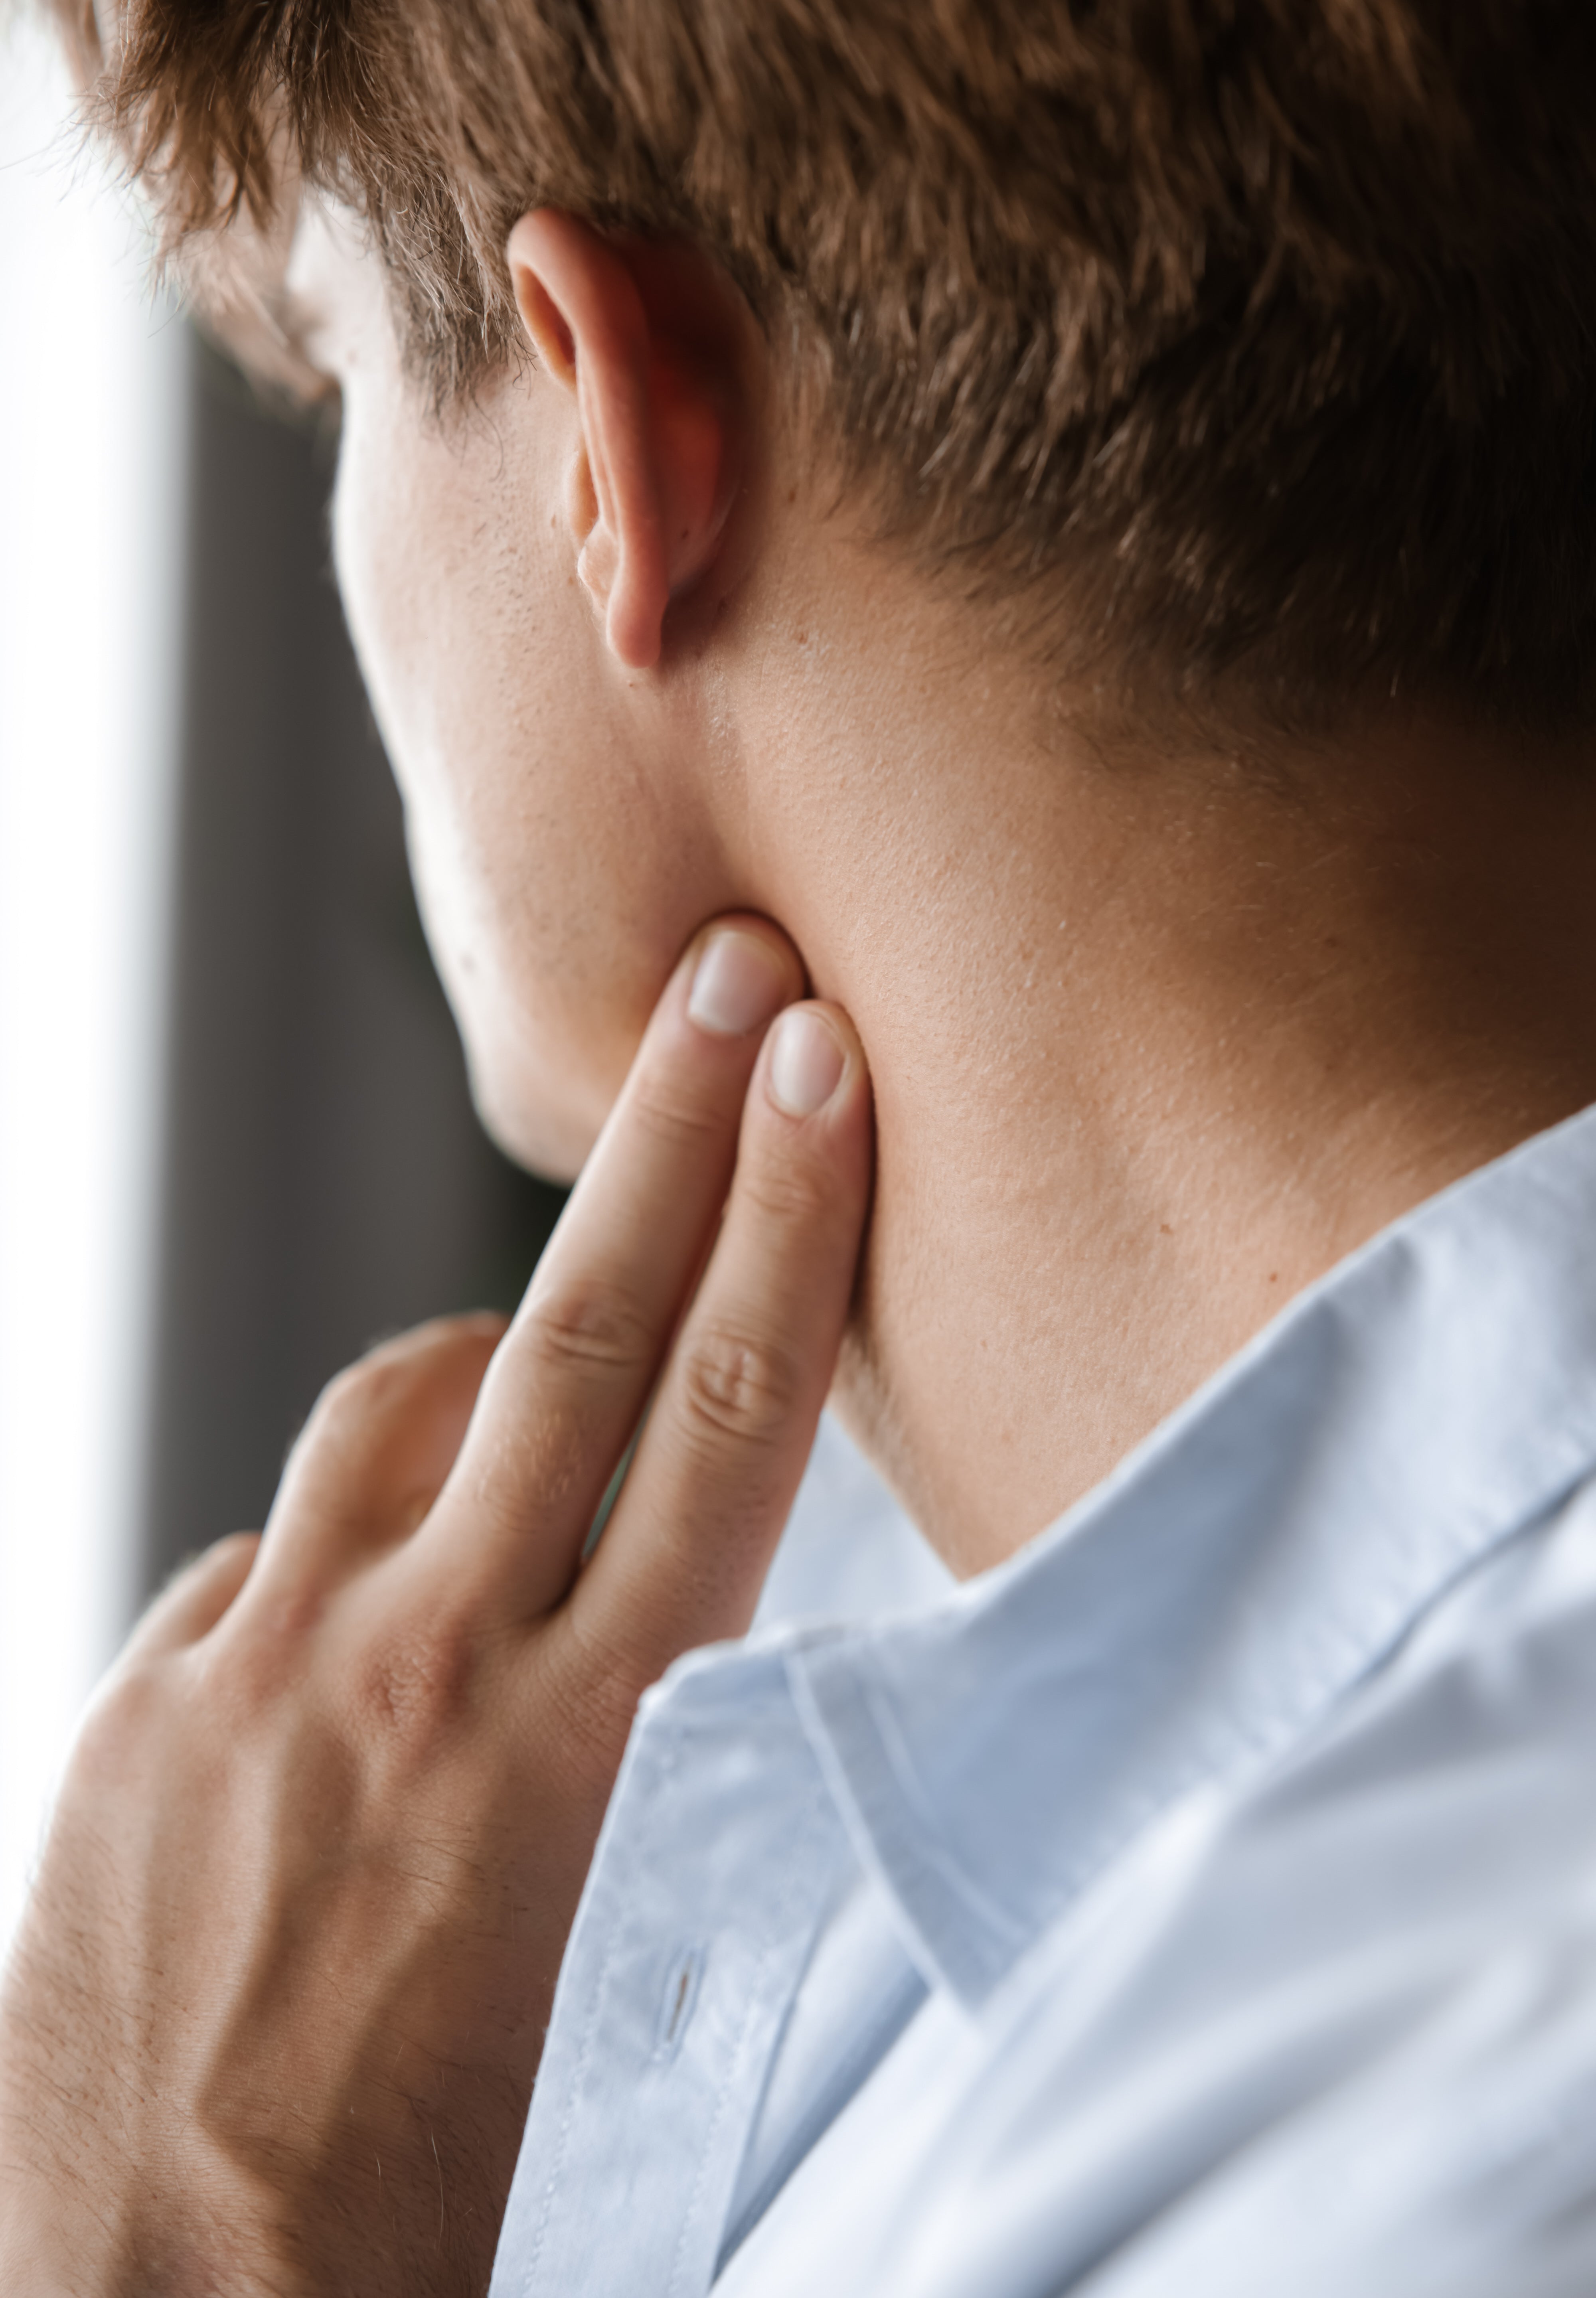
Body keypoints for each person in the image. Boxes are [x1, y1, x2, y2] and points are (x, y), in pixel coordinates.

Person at [7, 0, 1596, 2290]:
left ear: (609, 445)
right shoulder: (810, 1703)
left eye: (339, 365)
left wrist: (176, 2252)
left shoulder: (1435, 2162)